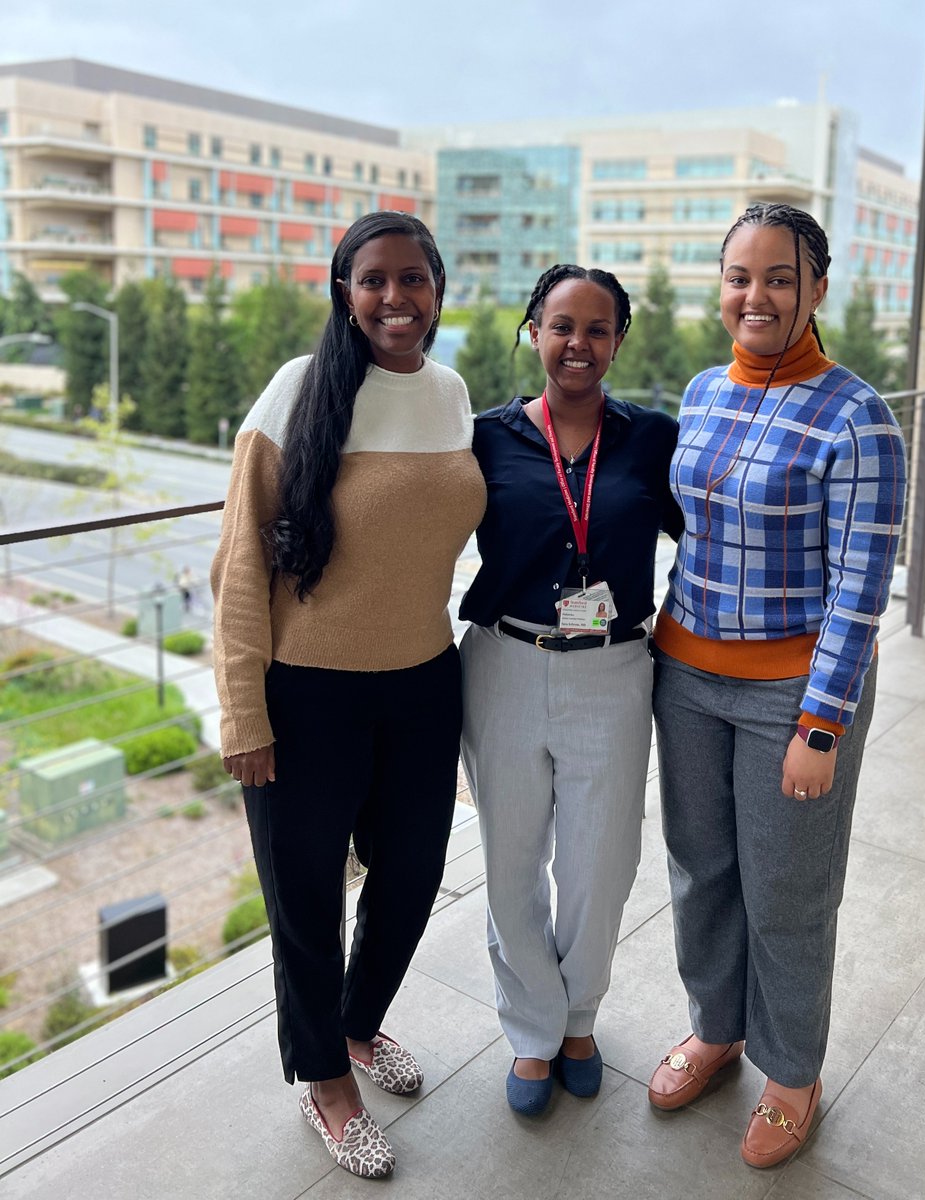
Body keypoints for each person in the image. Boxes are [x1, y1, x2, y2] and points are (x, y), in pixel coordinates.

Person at [210, 212, 486, 1178]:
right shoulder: (299, 390)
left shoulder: (452, 396)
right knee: (306, 902)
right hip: (306, 693)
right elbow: (242, 564)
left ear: (438, 290)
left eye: (414, 280)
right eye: (374, 280)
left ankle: (361, 1027)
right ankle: (326, 1083)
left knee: (411, 878)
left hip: (422, 682)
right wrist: (243, 710)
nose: (395, 299)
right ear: (344, 290)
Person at [646, 203, 906, 1168]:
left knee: (789, 889)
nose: (756, 296)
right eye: (740, 277)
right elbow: (698, 527)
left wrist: (823, 725)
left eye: (780, 279)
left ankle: (793, 1071)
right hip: (687, 676)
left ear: (816, 289)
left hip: (790, 696)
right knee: (701, 867)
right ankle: (719, 1030)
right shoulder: (705, 389)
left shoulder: (859, 416)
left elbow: (860, 588)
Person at [460, 264, 682, 1115]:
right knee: (511, 857)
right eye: (560, 326)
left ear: (619, 339)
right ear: (533, 332)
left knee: (602, 860)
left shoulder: (652, 438)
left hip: (615, 670)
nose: (577, 344)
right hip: (505, 665)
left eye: (597, 329)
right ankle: (532, 1032)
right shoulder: (484, 438)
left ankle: (580, 1017)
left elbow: (709, 528)